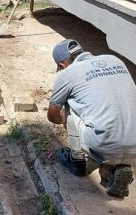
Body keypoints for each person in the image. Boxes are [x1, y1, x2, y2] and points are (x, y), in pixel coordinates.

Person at [47, 39, 136, 198]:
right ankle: (117, 165)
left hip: (103, 143)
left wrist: (65, 120)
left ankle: (77, 160)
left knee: (71, 101)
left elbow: (53, 115)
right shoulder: (114, 60)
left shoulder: (68, 73)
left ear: (62, 65)